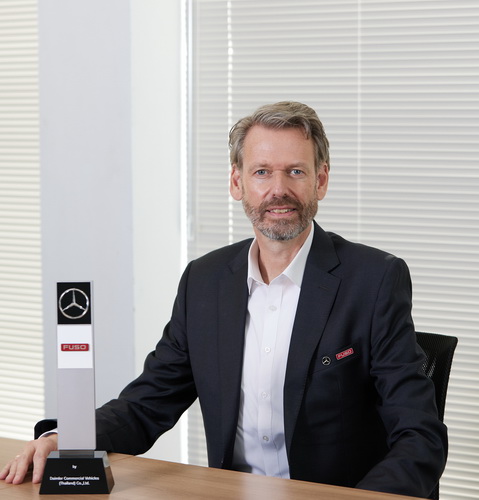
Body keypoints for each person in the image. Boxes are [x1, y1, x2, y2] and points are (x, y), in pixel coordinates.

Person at [1, 101, 447, 497]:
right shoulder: (205, 281)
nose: (278, 189)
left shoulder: (374, 280)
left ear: (321, 180)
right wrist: (66, 438)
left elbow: (420, 437)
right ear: (237, 182)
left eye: (296, 171)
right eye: (261, 172)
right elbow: (146, 405)